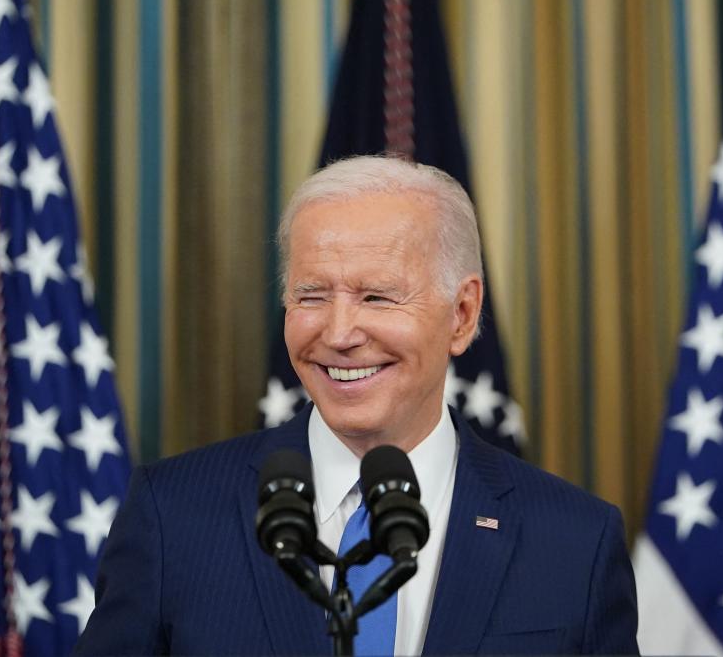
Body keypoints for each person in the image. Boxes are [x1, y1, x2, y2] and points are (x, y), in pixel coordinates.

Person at [73, 155, 638, 655]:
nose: (340, 333)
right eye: (311, 296)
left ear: (462, 315)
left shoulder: (574, 542)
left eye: (377, 296)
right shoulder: (172, 516)